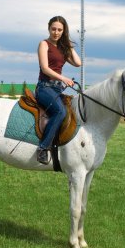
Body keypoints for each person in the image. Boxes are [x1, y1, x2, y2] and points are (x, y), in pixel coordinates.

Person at [35, 15, 81, 165]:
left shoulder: (62, 48)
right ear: (49, 28)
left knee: (70, 111)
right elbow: (45, 68)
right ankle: (42, 148)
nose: (56, 32)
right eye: (54, 29)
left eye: (60, 30)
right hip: (44, 87)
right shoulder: (44, 44)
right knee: (60, 112)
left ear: (64, 31)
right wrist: (64, 79)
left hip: (56, 89)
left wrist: (68, 45)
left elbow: (78, 63)